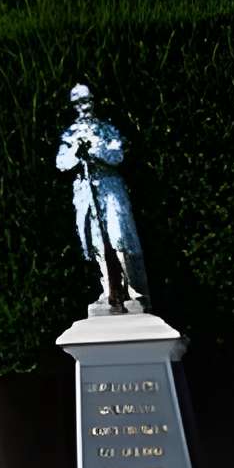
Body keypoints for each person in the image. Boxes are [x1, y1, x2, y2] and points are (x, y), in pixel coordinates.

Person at [55, 82, 150, 313]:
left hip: (109, 187)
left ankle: (134, 290)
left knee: (119, 237)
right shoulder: (69, 134)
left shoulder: (106, 129)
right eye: (77, 102)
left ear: (93, 101)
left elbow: (117, 156)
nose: (82, 106)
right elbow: (61, 164)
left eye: (86, 100)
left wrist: (96, 151)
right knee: (96, 241)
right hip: (85, 190)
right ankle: (109, 291)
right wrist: (77, 153)